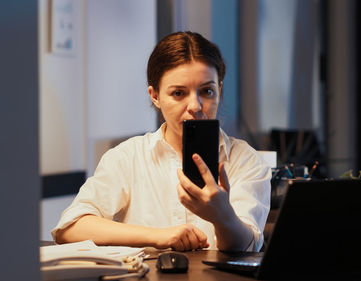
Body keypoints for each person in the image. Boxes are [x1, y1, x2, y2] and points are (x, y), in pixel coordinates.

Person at [52, 31, 271, 252]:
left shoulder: (245, 160)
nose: (195, 106)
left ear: (220, 91)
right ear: (155, 96)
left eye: (207, 91)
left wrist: (223, 217)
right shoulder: (128, 157)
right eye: (178, 93)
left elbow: (248, 247)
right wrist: (158, 237)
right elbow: (69, 227)